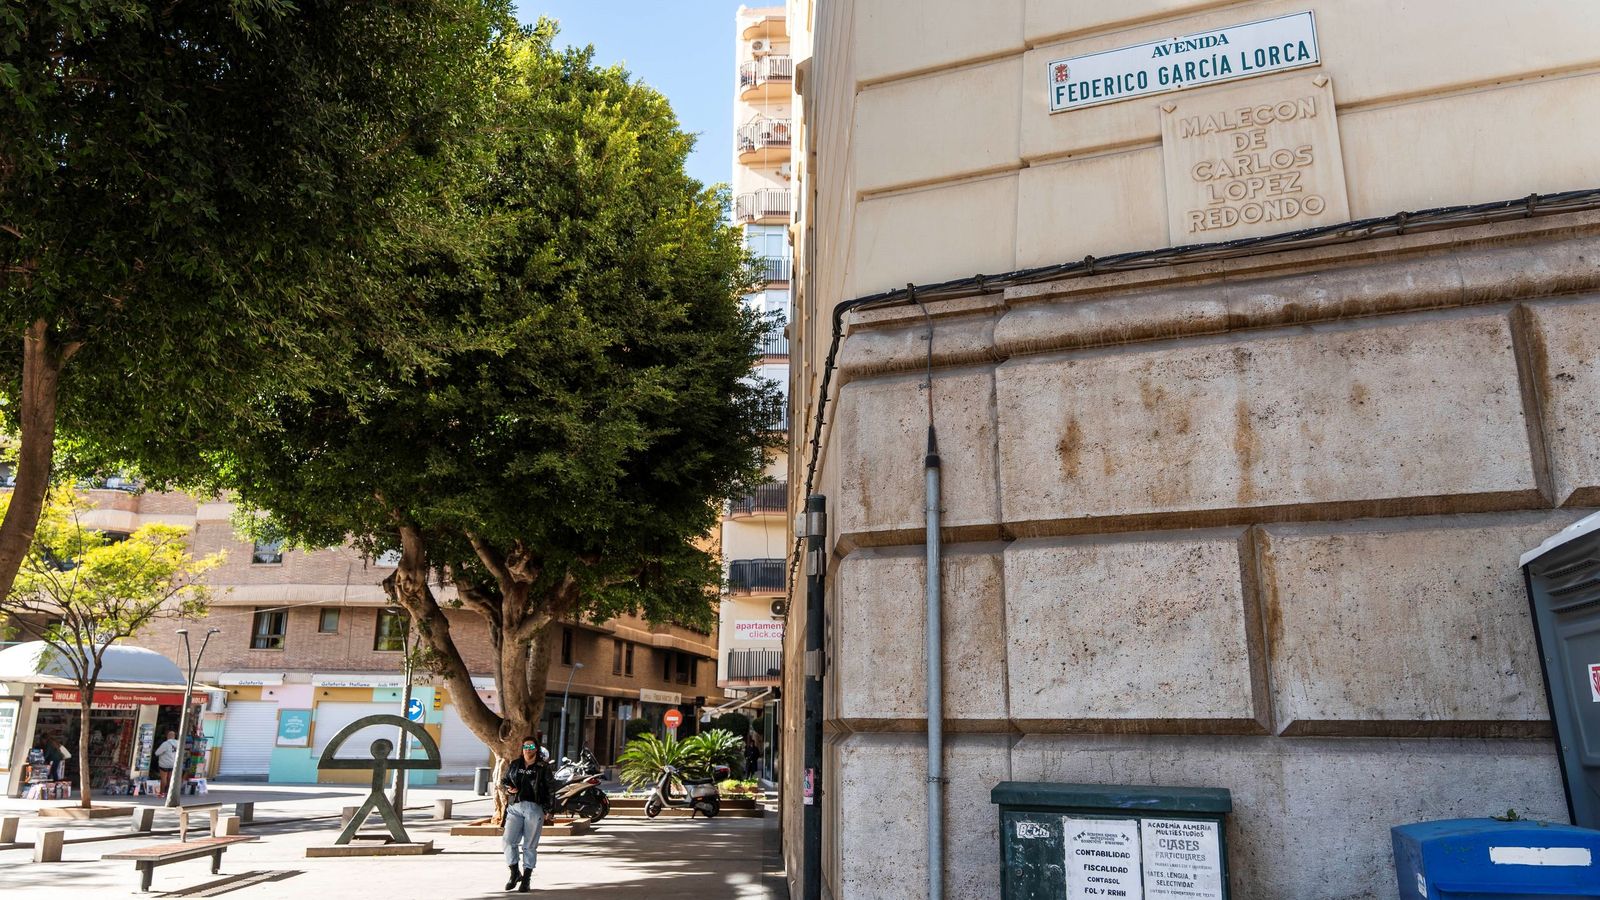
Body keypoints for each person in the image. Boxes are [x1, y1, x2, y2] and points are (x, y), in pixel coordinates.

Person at [500, 736, 556, 893]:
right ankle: (514, 872)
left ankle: (526, 878)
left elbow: (551, 789)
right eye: (525, 746)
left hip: (534, 808)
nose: (527, 749)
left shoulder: (542, 767)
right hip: (515, 807)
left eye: (531, 747)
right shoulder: (515, 764)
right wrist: (507, 788)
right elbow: (504, 781)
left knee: (529, 846)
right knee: (508, 841)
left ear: (536, 749)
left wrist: (550, 810)